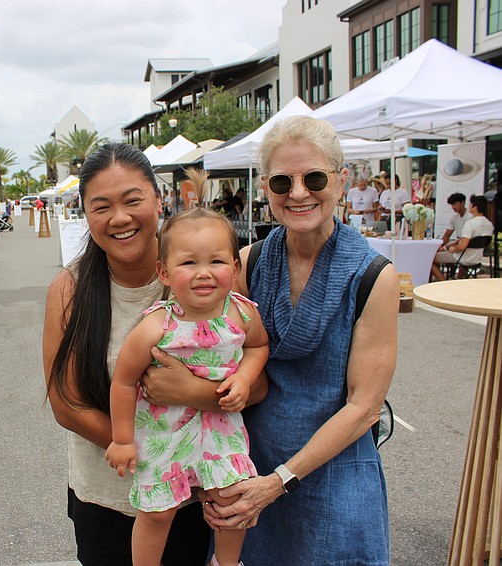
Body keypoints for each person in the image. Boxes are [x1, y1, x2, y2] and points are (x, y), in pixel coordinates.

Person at [146, 116, 398, 564]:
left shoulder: (373, 277)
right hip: (251, 465)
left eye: (314, 177)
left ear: (341, 182)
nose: (299, 193)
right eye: (283, 181)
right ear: (266, 188)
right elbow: (202, 345)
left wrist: (279, 481)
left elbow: (364, 408)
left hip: (333, 472)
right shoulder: (249, 261)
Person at [43, 143, 268, 565]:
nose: (120, 217)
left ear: (158, 200)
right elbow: (66, 404)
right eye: (102, 206)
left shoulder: (207, 285)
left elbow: (256, 383)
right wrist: (149, 454)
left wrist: (192, 393)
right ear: (85, 214)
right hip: (107, 498)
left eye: (133, 200)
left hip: (194, 494)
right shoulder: (69, 289)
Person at [105, 207, 268, 566]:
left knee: (231, 497)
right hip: (166, 430)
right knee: (159, 512)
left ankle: (226, 564)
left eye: (217, 261)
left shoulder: (241, 314)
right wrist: (122, 439)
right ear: (164, 272)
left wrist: (244, 376)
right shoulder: (156, 326)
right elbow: (124, 380)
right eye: (189, 263)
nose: (204, 273)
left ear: (236, 268)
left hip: (222, 428)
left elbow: (258, 347)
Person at [430, 194, 493, 281]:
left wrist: (452, 248)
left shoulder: (470, 223)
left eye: (470, 204)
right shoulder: (489, 224)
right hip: (477, 257)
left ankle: (443, 282)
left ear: (475, 207)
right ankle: (457, 279)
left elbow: (462, 246)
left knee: (430, 259)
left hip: (463, 256)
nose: (469, 206)